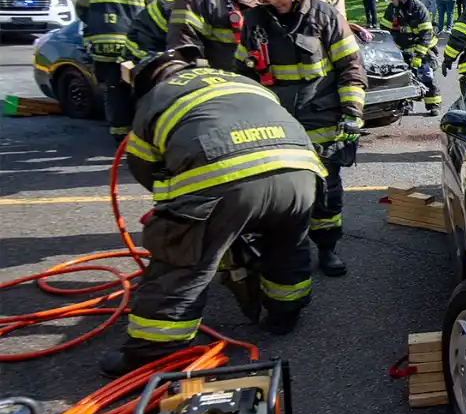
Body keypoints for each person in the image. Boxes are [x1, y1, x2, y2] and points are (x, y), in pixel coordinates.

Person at [100, 45, 326, 375]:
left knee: (182, 264)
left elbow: (145, 169)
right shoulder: (238, 80)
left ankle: (151, 354)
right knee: (288, 244)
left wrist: (181, 219)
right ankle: (284, 313)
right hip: (300, 171)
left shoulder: (155, 97)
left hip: (225, 179)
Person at [234, 0, 368, 277]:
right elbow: (243, 75)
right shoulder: (254, 21)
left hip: (321, 120)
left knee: (325, 191)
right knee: (276, 192)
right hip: (273, 125)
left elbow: (351, 66)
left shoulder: (325, 17)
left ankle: (327, 248)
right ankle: (284, 247)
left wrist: (352, 111)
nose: (268, 2)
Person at [76, 0, 164, 141]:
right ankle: (142, 134)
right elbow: (162, 9)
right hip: (132, 48)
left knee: (113, 89)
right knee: (140, 88)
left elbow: (81, 10)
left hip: (101, 48)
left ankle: (119, 134)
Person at [383, 0, 440, 115]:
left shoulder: (418, 8)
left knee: (426, 75)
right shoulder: (392, 9)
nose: (391, 0)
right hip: (403, 48)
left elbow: (426, 34)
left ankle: (433, 104)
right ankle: (406, 105)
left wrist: (419, 56)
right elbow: (384, 31)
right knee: (403, 77)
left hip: (423, 47)